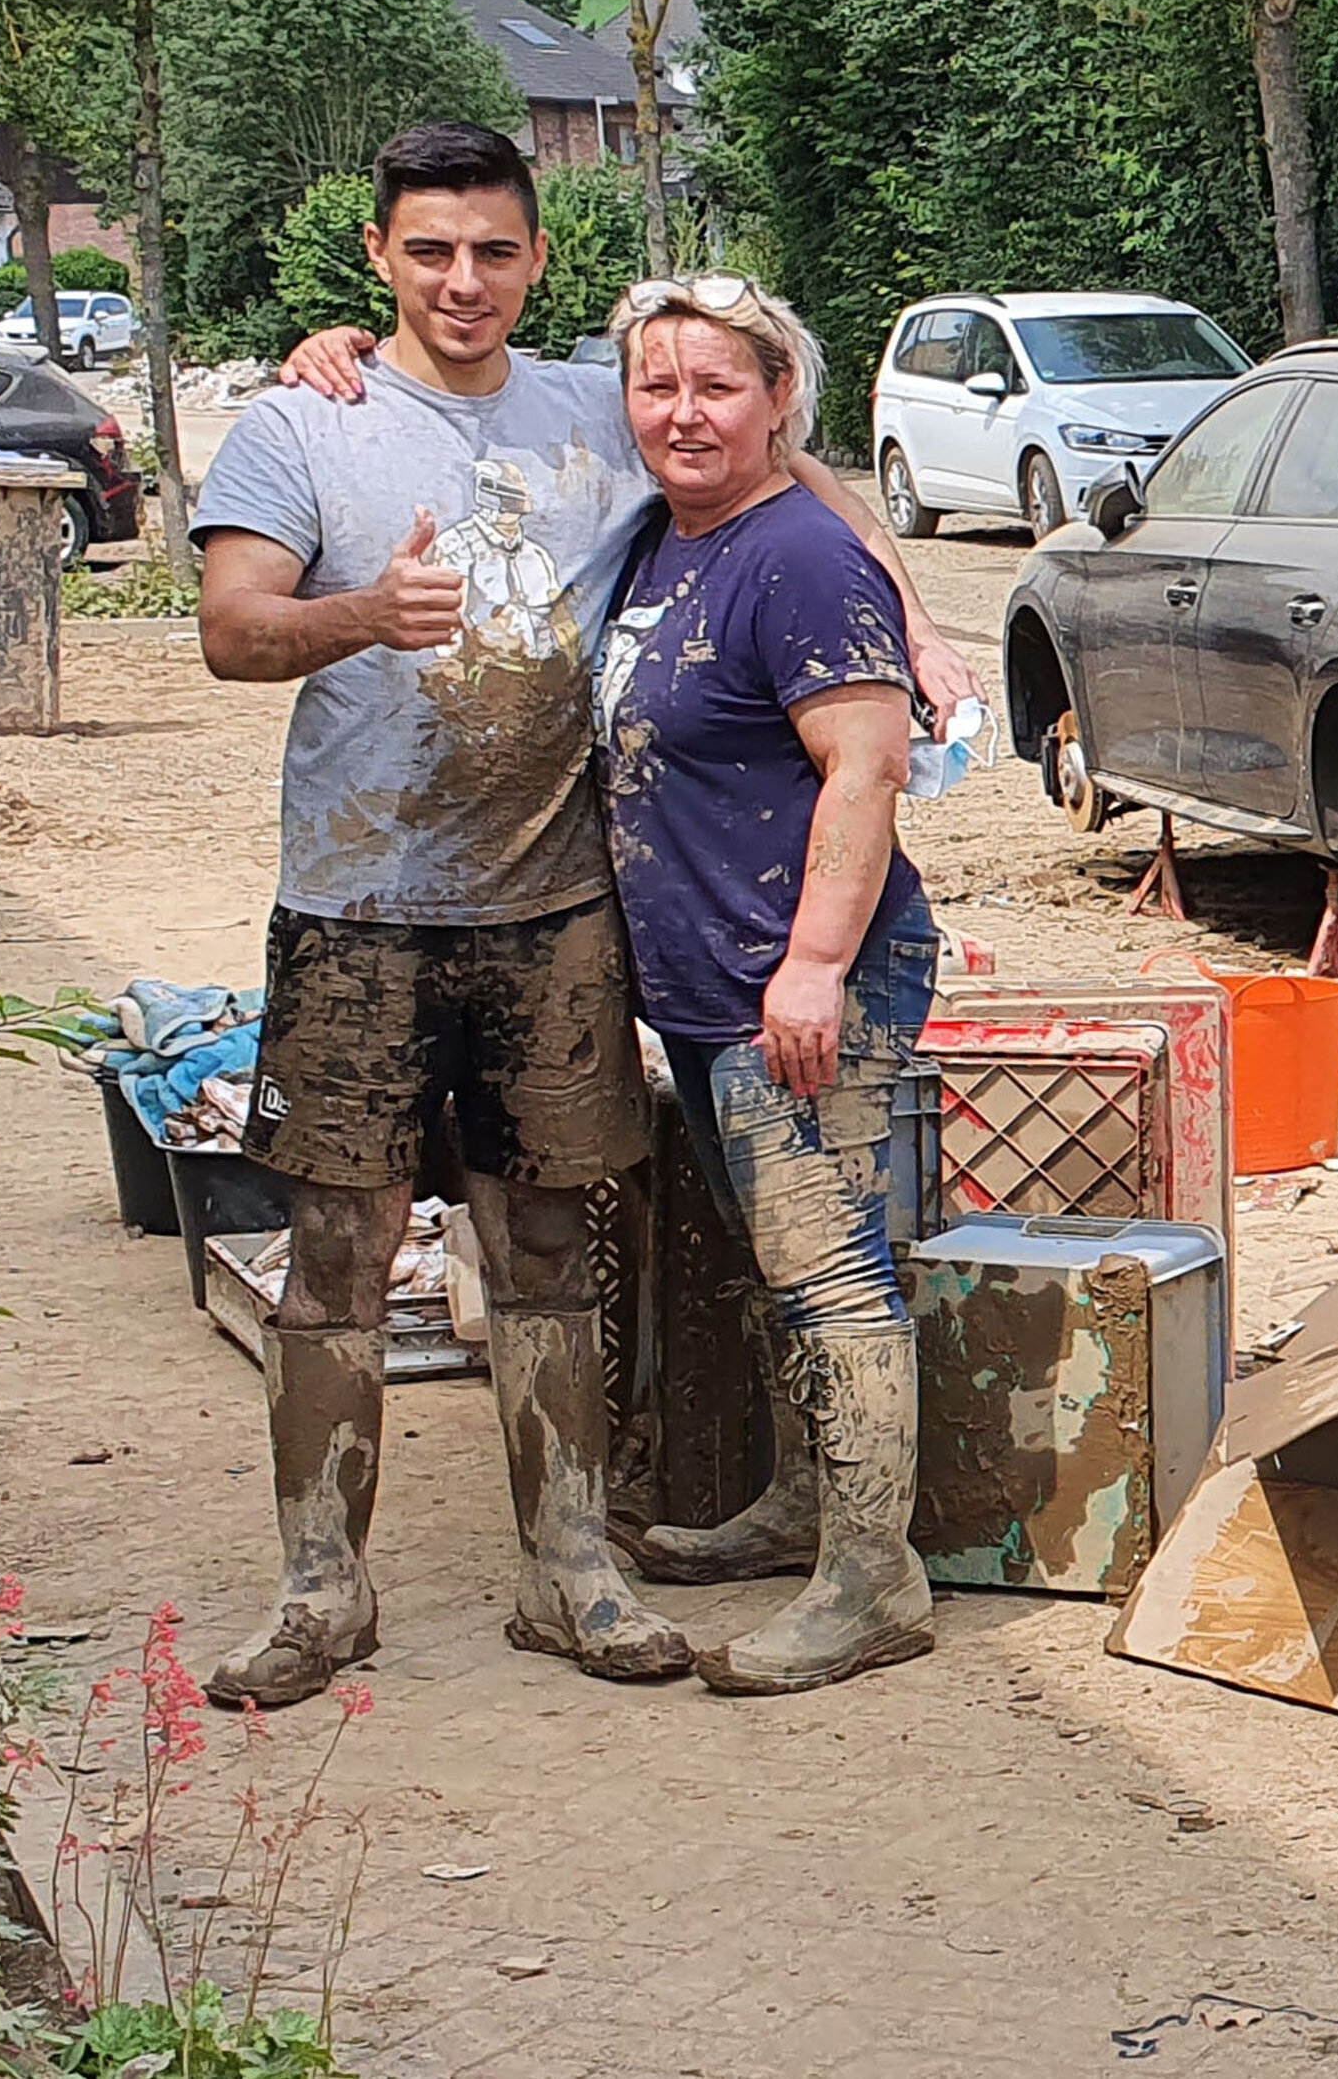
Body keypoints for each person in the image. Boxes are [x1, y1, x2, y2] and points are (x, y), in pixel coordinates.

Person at [193, 125, 976, 1708]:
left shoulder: (599, 403)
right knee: (334, 1257)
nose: (462, 279)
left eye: (493, 250)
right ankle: (319, 1592)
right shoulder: (302, 419)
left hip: (552, 919)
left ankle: (574, 1575)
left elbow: (779, 458)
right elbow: (230, 629)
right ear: (377, 256)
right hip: (354, 910)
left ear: (537, 257)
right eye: (428, 251)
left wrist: (908, 600)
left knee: (547, 1249)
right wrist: (366, 614)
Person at [592, 272, 938, 1695]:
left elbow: (869, 762)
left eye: (718, 385)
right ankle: (809, 1505)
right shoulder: (669, 542)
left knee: (832, 1269)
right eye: (658, 384)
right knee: (778, 1263)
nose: (683, 411)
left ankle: (875, 1577)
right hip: (711, 982)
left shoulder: (796, 555)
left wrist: (812, 965)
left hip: (798, 982)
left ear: (781, 401)